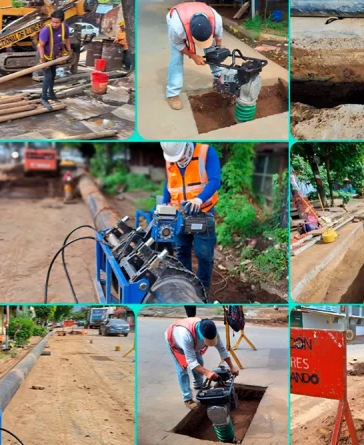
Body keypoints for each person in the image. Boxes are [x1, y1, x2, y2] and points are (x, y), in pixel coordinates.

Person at [161, 142, 221, 292]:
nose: (178, 160)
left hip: (202, 213)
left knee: (204, 255)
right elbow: (169, 182)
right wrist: (164, 204)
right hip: (178, 215)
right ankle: (186, 286)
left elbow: (214, 180)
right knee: (181, 251)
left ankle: (202, 289)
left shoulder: (205, 151)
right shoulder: (171, 157)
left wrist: (199, 199)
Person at [166, 317, 239, 409]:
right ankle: (187, 398)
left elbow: (222, 350)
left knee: (200, 362)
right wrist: (207, 372)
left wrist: (232, 367)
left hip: (194, 344)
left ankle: (198, 384)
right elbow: (191, 361)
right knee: (182, 369)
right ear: (200, 335)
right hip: (176, 343)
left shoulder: (212, 331)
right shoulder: (186, 336)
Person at [166, 2, 224, 110]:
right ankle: (172, 94)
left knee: (212, 51)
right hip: (179, 14)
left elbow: (218, 38)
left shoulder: (217, 21)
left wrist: (217, 52)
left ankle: (219, 79)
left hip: (198, 12)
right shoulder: (176, 26)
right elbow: (177, 44)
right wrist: (193, 56)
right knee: (176, 58)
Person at [36, 9, 71, 109]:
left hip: (53, 57)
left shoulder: (65, 27)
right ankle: (44, 98)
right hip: (43, 55)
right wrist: (42, 59)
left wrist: (69, 50)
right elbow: (40, 46)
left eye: (57, 22)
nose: (54, 24)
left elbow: (67, 38)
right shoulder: (46, 30)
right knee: (48, 76)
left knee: (53, 75)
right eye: (53, 22)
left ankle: (51, 94)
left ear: (62, 21)